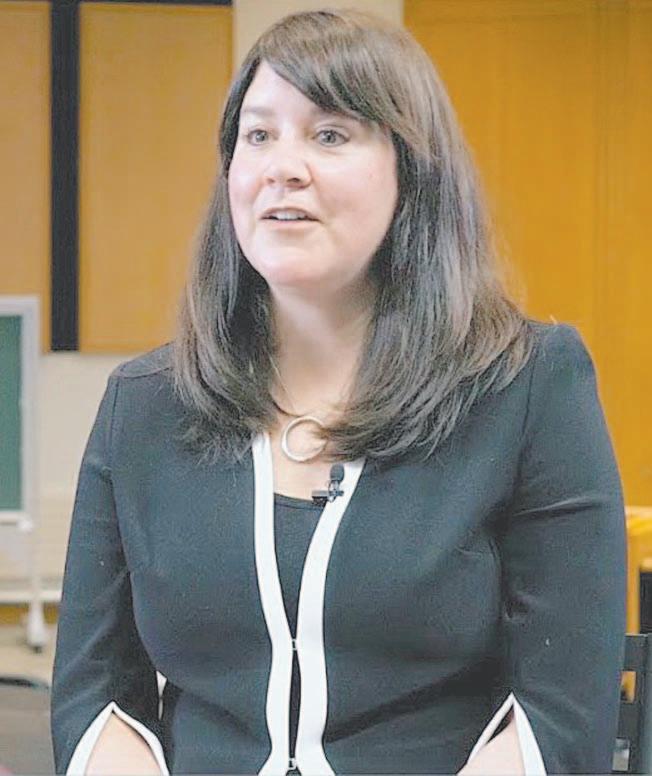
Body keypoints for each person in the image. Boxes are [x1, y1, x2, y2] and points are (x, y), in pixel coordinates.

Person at [50, 7, 627, 775]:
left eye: (329, 134)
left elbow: (563, 709)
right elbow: (95, 693)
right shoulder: (146, 403)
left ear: (412, 171)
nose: (283, 167)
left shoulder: (527, 385)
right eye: (259, 135)